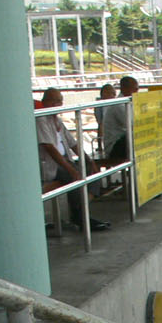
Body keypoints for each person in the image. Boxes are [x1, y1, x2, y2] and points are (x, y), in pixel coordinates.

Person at [36, 88, 106, 233]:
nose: (58, 104)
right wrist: (71, 169)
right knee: (75, 176)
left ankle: (81, 209)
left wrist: (88, 160)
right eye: (54, 101)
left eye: (59, 101)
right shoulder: (41, 119)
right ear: (45, 102)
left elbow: (73, 143)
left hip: (65, 161)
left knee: (92, 172)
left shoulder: (57, 121)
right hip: (52, 166)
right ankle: (81, 216)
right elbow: (49, 148)